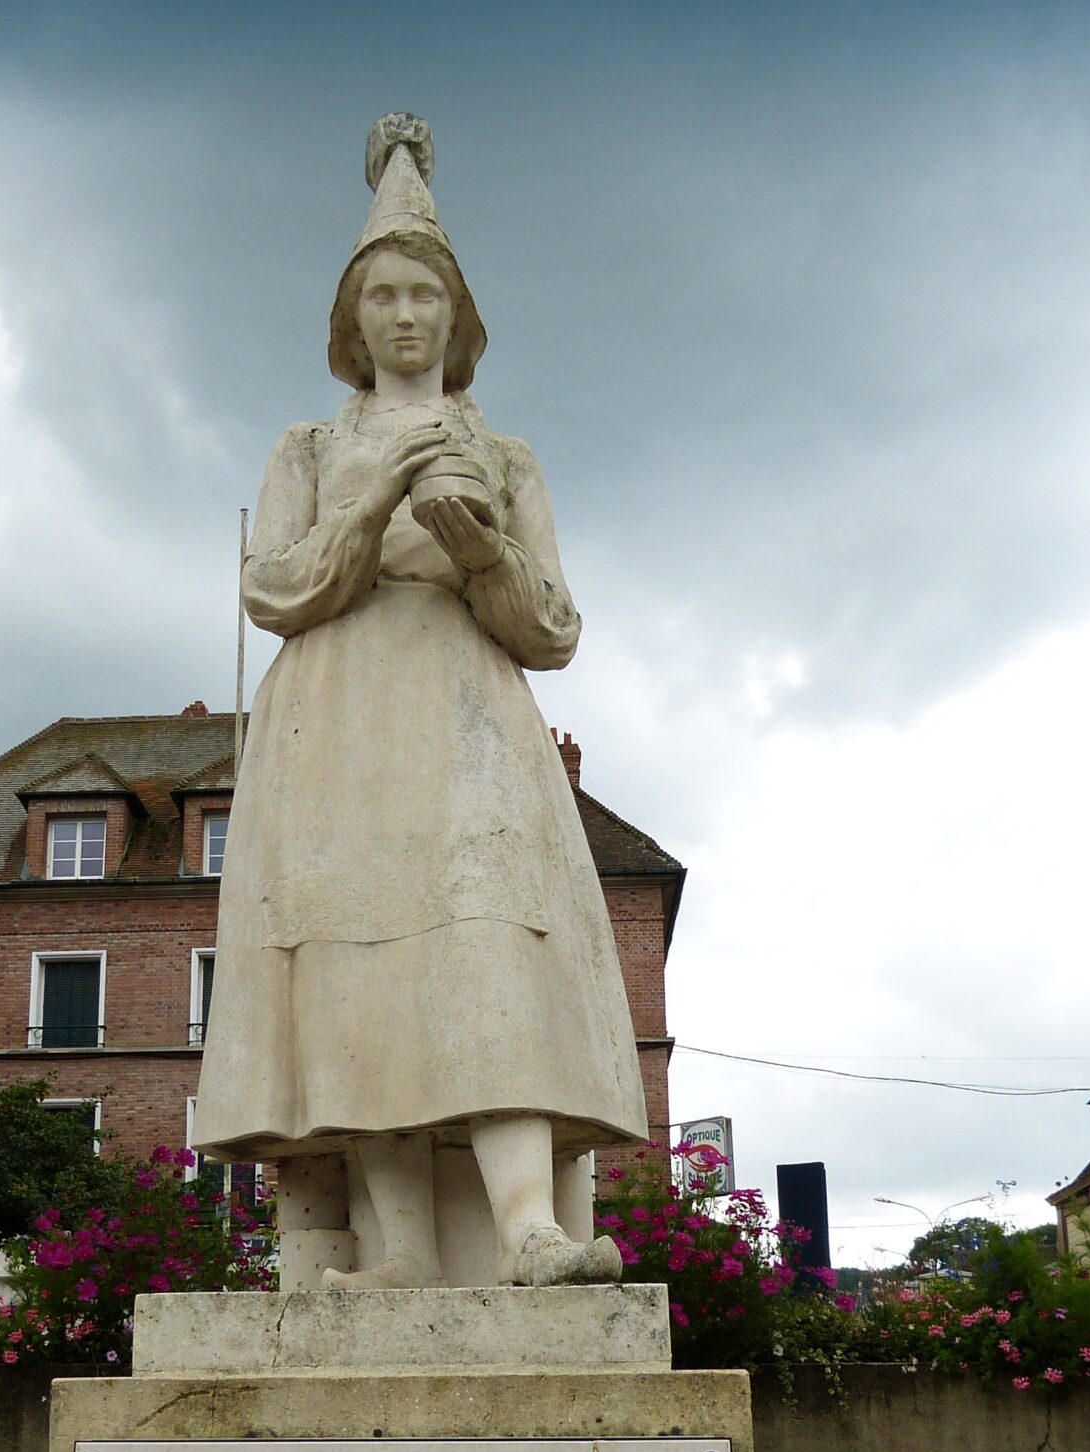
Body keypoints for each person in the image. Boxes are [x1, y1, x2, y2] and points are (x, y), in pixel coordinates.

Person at [191, 115, 646, 1290]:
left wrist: (481, 549)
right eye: (382, 295)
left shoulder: (509, 455)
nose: (402, 315)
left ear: (457, 318)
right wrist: (372, 501)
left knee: (488, 944)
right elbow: (272, 587)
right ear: (352, 321)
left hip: (464, 714)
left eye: (423, 296)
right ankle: (394, 1255)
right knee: (356, 974)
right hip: (332, 717)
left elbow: (552, 627)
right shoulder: (302, 443)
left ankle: (525, 1229)